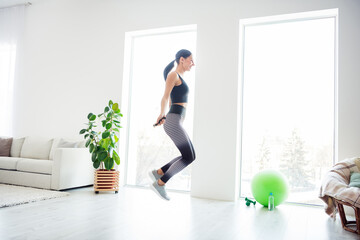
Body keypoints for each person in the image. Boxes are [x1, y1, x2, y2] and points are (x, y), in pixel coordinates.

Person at [149, 49, 196, 200]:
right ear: (182, 59)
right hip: (174, 121)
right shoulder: (173, 75)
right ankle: (160, 183)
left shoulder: (180, 77)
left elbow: (172, 101)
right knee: (188, 157)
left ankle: (160, 172)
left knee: (190, 155)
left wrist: (167, 115)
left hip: (175, 119)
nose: (193, 64)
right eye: (190, 60)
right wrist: (162, 114)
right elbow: (165, 97)